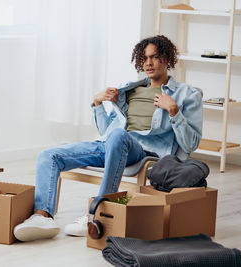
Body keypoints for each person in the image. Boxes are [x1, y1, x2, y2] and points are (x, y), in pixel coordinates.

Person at [14, 35, 203, 242]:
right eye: (145, 58)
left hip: (141, 152)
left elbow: (190, 144)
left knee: (119, 135)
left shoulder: (187, 94)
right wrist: (97, 103)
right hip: (109, 144)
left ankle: (98, 213)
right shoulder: (130, 90)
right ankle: (43, 216)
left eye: (155, 57)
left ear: (167, 59)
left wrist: (174, 111)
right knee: (48, 156)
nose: (148, 63)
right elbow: (108, 132)